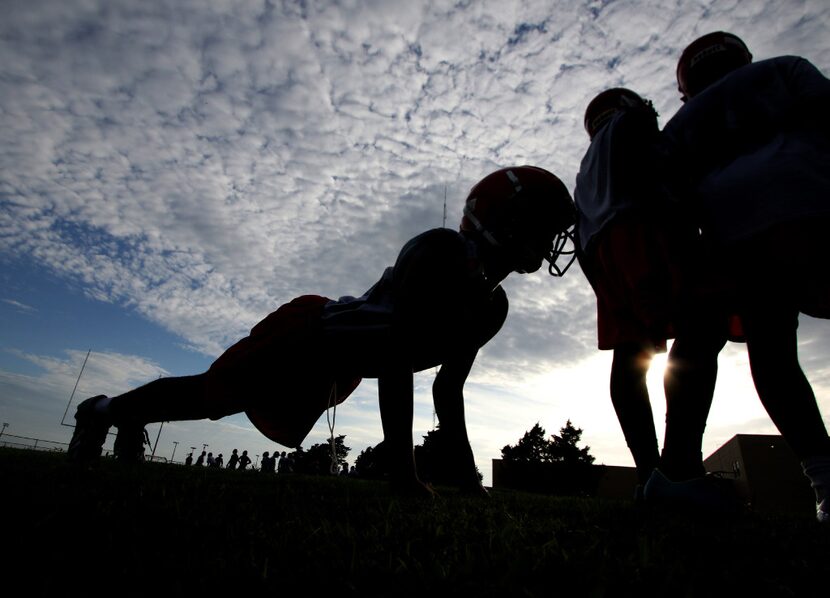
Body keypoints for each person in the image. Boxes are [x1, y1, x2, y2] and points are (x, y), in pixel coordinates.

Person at [66, 166, 577, 497]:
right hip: (313, 334)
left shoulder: (492, 304)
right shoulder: (440, 250)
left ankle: (127, 415)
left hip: (344, 361)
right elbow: (397, 358)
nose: (553, 242)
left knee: (213, 397)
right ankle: (104, 410)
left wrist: (466, 479)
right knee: (211, 395)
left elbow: (448, 387)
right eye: (545, 226)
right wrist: (405, 475)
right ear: (507, 220)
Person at [660, 31, 830, 522]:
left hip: (740, 237)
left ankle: (825, 479)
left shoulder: (679, 124)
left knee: (774, 357)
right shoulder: (787, 69)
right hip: (817, 206)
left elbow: (673, 207)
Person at [573, 88, 730, 494]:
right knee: (706, 323)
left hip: (605, 252)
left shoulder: (585, 169)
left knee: (631, 354)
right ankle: (681, 465)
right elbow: (663, 174)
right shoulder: (632, 126)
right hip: (643, 229)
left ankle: (650, 475)